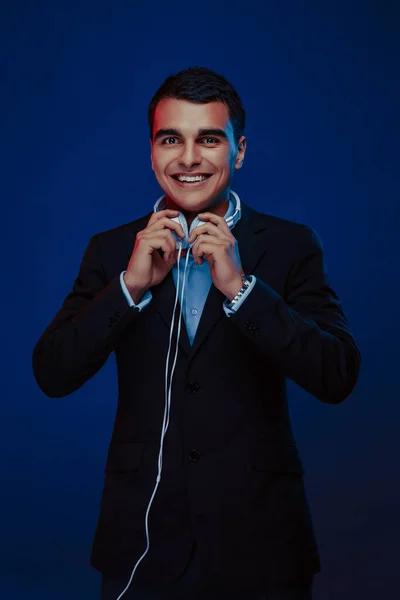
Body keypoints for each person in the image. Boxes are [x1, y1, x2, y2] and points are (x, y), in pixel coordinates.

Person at [32, 66, 361, 600]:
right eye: (171, 139)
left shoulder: (291, 244)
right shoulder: (111, 250)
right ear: (152, 151)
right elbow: (52, 371)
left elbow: (337, 374)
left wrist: (241, 289)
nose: (188, 158)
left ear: (240, 151)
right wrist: (129, 287)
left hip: (261, 542)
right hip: (141, 542)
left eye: (209, 138)